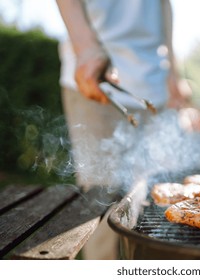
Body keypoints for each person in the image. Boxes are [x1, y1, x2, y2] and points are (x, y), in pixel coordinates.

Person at [55, 0, 185, 259]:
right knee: (102, 198)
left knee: (151, 196)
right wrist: (85, 46)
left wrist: (173, 70)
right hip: (94, 77)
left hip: (153, 81)